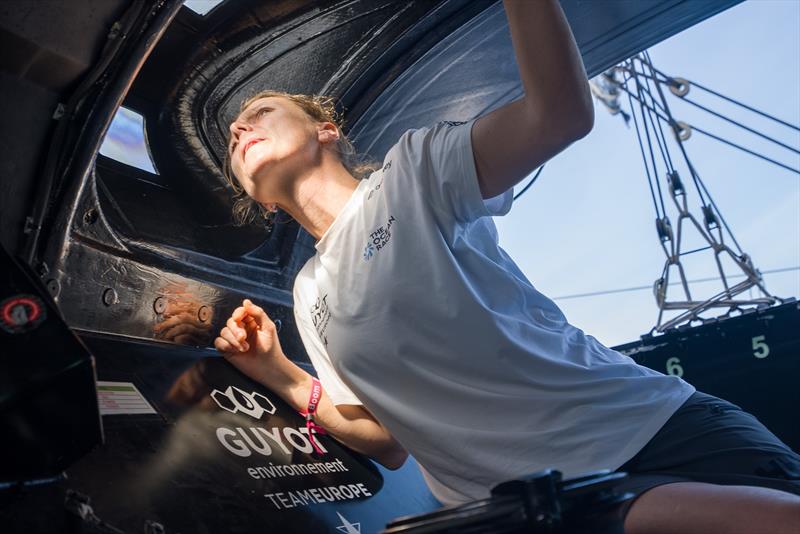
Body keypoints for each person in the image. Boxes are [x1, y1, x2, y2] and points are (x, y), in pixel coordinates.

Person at [213, 1, 800, 532]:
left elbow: (560, 114)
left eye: (260, 111)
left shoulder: (412, 174)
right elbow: (389, 442)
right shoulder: (308, 290)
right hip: (540, 506)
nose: (240, 128)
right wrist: (277, 373)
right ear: (261, 201)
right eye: (234, 136)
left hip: (656, 429)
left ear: (326, 132)